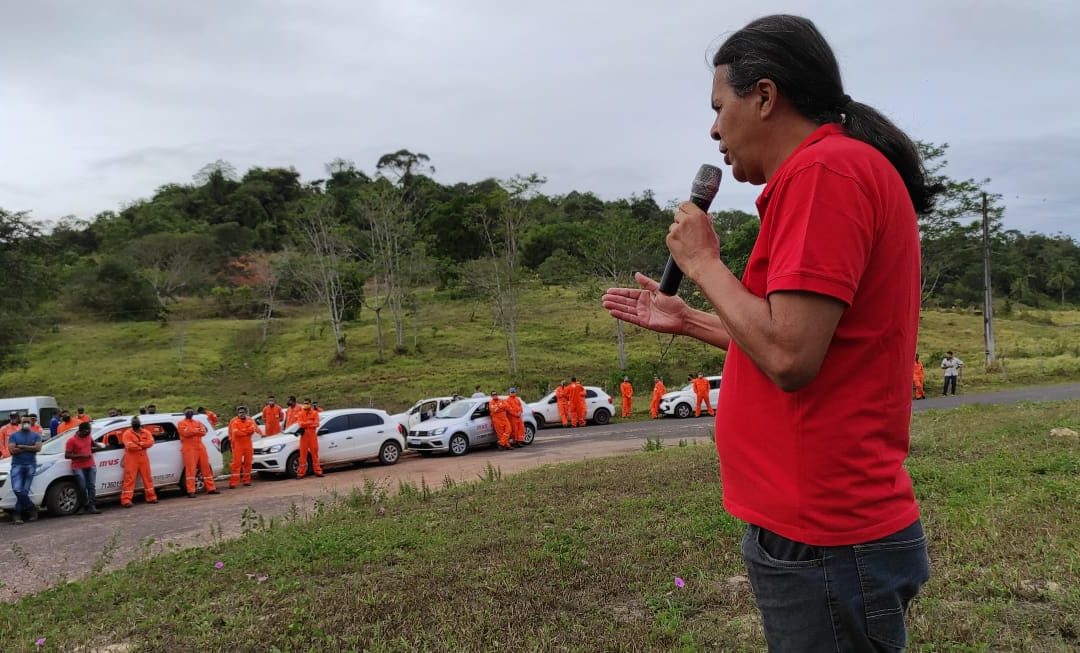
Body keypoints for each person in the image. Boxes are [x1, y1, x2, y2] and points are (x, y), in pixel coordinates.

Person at [602, 15, 934, 648]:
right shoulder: (830, 171)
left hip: (825, 534)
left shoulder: (824, 174)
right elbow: (805, 340)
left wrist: (702, 263)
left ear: (764, 95)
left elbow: (789, 356)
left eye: (719, 106)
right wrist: (694, 319)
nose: (713, 129)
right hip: (823, 531)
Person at [178, 407, 219, 497]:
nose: (189, 412)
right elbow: (185, 433)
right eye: (187, 411)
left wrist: (193, 431)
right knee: (191, 470)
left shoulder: (197, 422)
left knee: (206, 469)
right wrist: (197, 431)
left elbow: (203, 432)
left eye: (190, 411)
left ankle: (211, 489)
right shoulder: (181, 423)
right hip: (189, 449)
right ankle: (191, 491)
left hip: (200, 447)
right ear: (184, 413)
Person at [8, 417, 42, 523]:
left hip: (31, 465)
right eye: (24, 422)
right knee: (18, 489)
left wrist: (21, 446)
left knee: (25, 490)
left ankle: (17, 514)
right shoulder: (14, 436)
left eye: (28, 422)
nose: (26, 424)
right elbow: (12, 450)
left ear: (31, 423)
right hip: (17, 465)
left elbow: (38, 448)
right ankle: (32, 508)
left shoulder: (36, 435)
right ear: (20, 423)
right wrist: (30, 447)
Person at [65, 421, 102, 514]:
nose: (89, 432)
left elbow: (95, 445)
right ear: (81, 431)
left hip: (90, 465)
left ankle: (92, 506)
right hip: (78, 466)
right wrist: (81, 455)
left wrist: (98, 448)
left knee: (91, 486)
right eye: (87, 430)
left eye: (90, 430)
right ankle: (83, 506)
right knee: (82, 487)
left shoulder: (88, 436)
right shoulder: (71, 440)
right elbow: (67, 455)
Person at [120, 417, 157, 507]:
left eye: (136, 422)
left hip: (143, 457)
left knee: (147, 477)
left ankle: (151, 497)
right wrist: (142, 445)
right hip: (131, 458)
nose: (135, 423)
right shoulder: (127, 433)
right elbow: (129, 445)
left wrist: (140, 444)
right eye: (134, 422)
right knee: (129, 479)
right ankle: (126, 500)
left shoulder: (146, 432)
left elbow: (151, 442)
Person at [228, 406, 262, 488]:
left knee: (248, 463)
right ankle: (233, 482)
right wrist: (246, 432)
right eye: (240, 412)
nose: (241, 414)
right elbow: (235, 433)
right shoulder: (234, 421)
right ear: (237, 413)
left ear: (246, 413)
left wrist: (243, 431)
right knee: (236, 464)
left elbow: (252, 430)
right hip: (237, 445)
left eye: (243, 412)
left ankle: (246, 480)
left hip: (248, 445)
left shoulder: (250, 420)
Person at [295, 399, 323, 478]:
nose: (305, 405)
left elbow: (317, 424)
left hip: (312, 436)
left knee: (315, 454)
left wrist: (306, 424)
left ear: (310, 404)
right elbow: (300, 424)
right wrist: (310, 422)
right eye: (304, 403)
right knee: (303, 455)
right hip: (304, 437)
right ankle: (301, 473)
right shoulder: (300, 413)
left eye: (307, 403)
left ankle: (318, 471)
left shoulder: (315, 413)